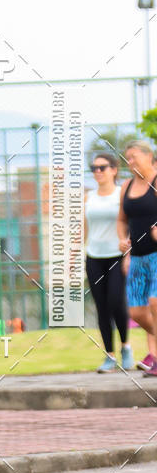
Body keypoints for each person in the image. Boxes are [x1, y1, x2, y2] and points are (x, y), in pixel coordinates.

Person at [85, 153, 131, 372]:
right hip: (94, 257)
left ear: (114, 170)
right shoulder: (89, 197)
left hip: (116, 257)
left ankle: (126, 347)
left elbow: (129, 223)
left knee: (115, 301)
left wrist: (129, 252)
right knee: (101, 307)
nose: (97, 172)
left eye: (102, 167)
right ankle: (109, 356)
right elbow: (84, 228)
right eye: (94, 168)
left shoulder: (122, 194)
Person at [117, 140, 157, 376]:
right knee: (136, 312)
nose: (130, 162)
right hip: (137, 258)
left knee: (155, 302)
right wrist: (123, 242)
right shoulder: (127, 186)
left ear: (148, 155)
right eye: (127, 158)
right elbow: (122, 220)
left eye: (134, 157)